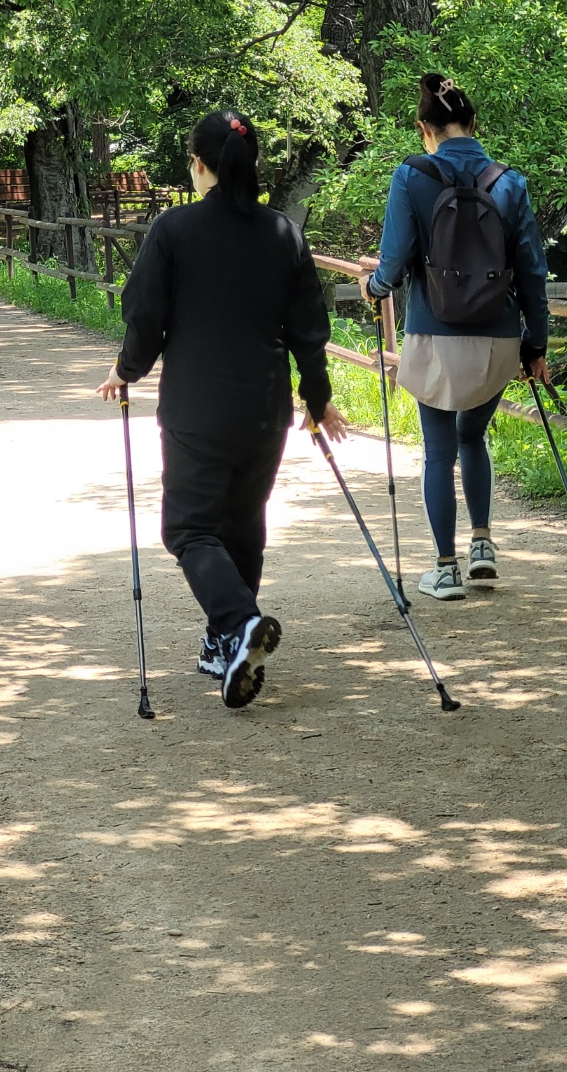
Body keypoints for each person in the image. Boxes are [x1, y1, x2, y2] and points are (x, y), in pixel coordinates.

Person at [96, 110, 348, 710]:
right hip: (264, 408)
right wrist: (317, 399)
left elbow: (146, 318)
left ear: (199, 164)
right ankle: (224, 643)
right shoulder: (283, 232)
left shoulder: (174, 229)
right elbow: (309, 330)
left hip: (197, 408)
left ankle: (239, 623)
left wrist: (125, 370)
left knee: (189, 529)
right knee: (243, 523)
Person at [361, 72, 550, 601]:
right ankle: (482, 543)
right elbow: (533, 271)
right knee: (474, 437)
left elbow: (393, 261)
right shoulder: (509, 182)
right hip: (498, 341)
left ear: (425, 129)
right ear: (474, 123)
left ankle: (445, 569)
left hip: (434, 336)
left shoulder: (411, 175)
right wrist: (536, 343)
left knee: (439, 449)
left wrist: (374, 286)